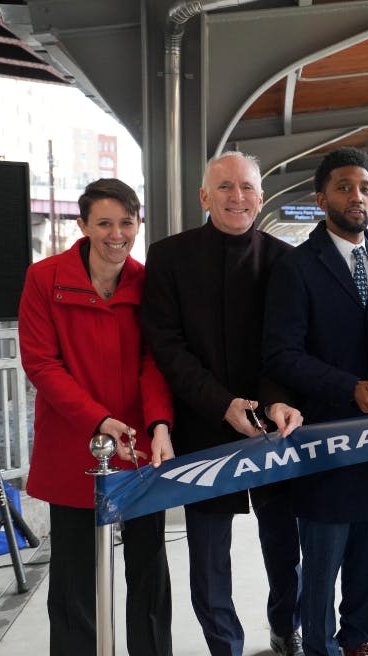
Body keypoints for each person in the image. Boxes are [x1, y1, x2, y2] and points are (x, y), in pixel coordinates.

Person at [140, 152, 305, 656]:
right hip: (204, 423)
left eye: (248, 187)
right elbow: (167, 347)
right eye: (226, 187)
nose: (238, 197)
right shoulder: (169, 257)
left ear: (261, 196)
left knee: (284, 545)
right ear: (204, 197)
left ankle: (285, 629)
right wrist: (222, 404)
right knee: (209, 555)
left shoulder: (283, 259)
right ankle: (224, 646)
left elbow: (287, 346)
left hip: (271, 427)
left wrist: (274, 403)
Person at [18, 178, 174, 656]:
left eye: (127, 222)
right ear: (82, 225)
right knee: (75, 577)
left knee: (149, 569)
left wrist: (159, 424)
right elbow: (41, 363)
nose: (117, 234)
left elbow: (155, 360)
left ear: (138, 225)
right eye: (104, 223)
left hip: (141, 447)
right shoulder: (45, 279)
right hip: (76, 446)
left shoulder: (147, 283)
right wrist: (98, 419)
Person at [262, 147, 368, 656]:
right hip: (325, 443)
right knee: (322, 561)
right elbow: (280, 354)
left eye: (364, 187)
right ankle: (317, 645)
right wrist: (346, 387)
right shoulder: (297, 268)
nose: (355, 196)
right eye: (343, 187)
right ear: (321, 198)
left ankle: (359, 640)